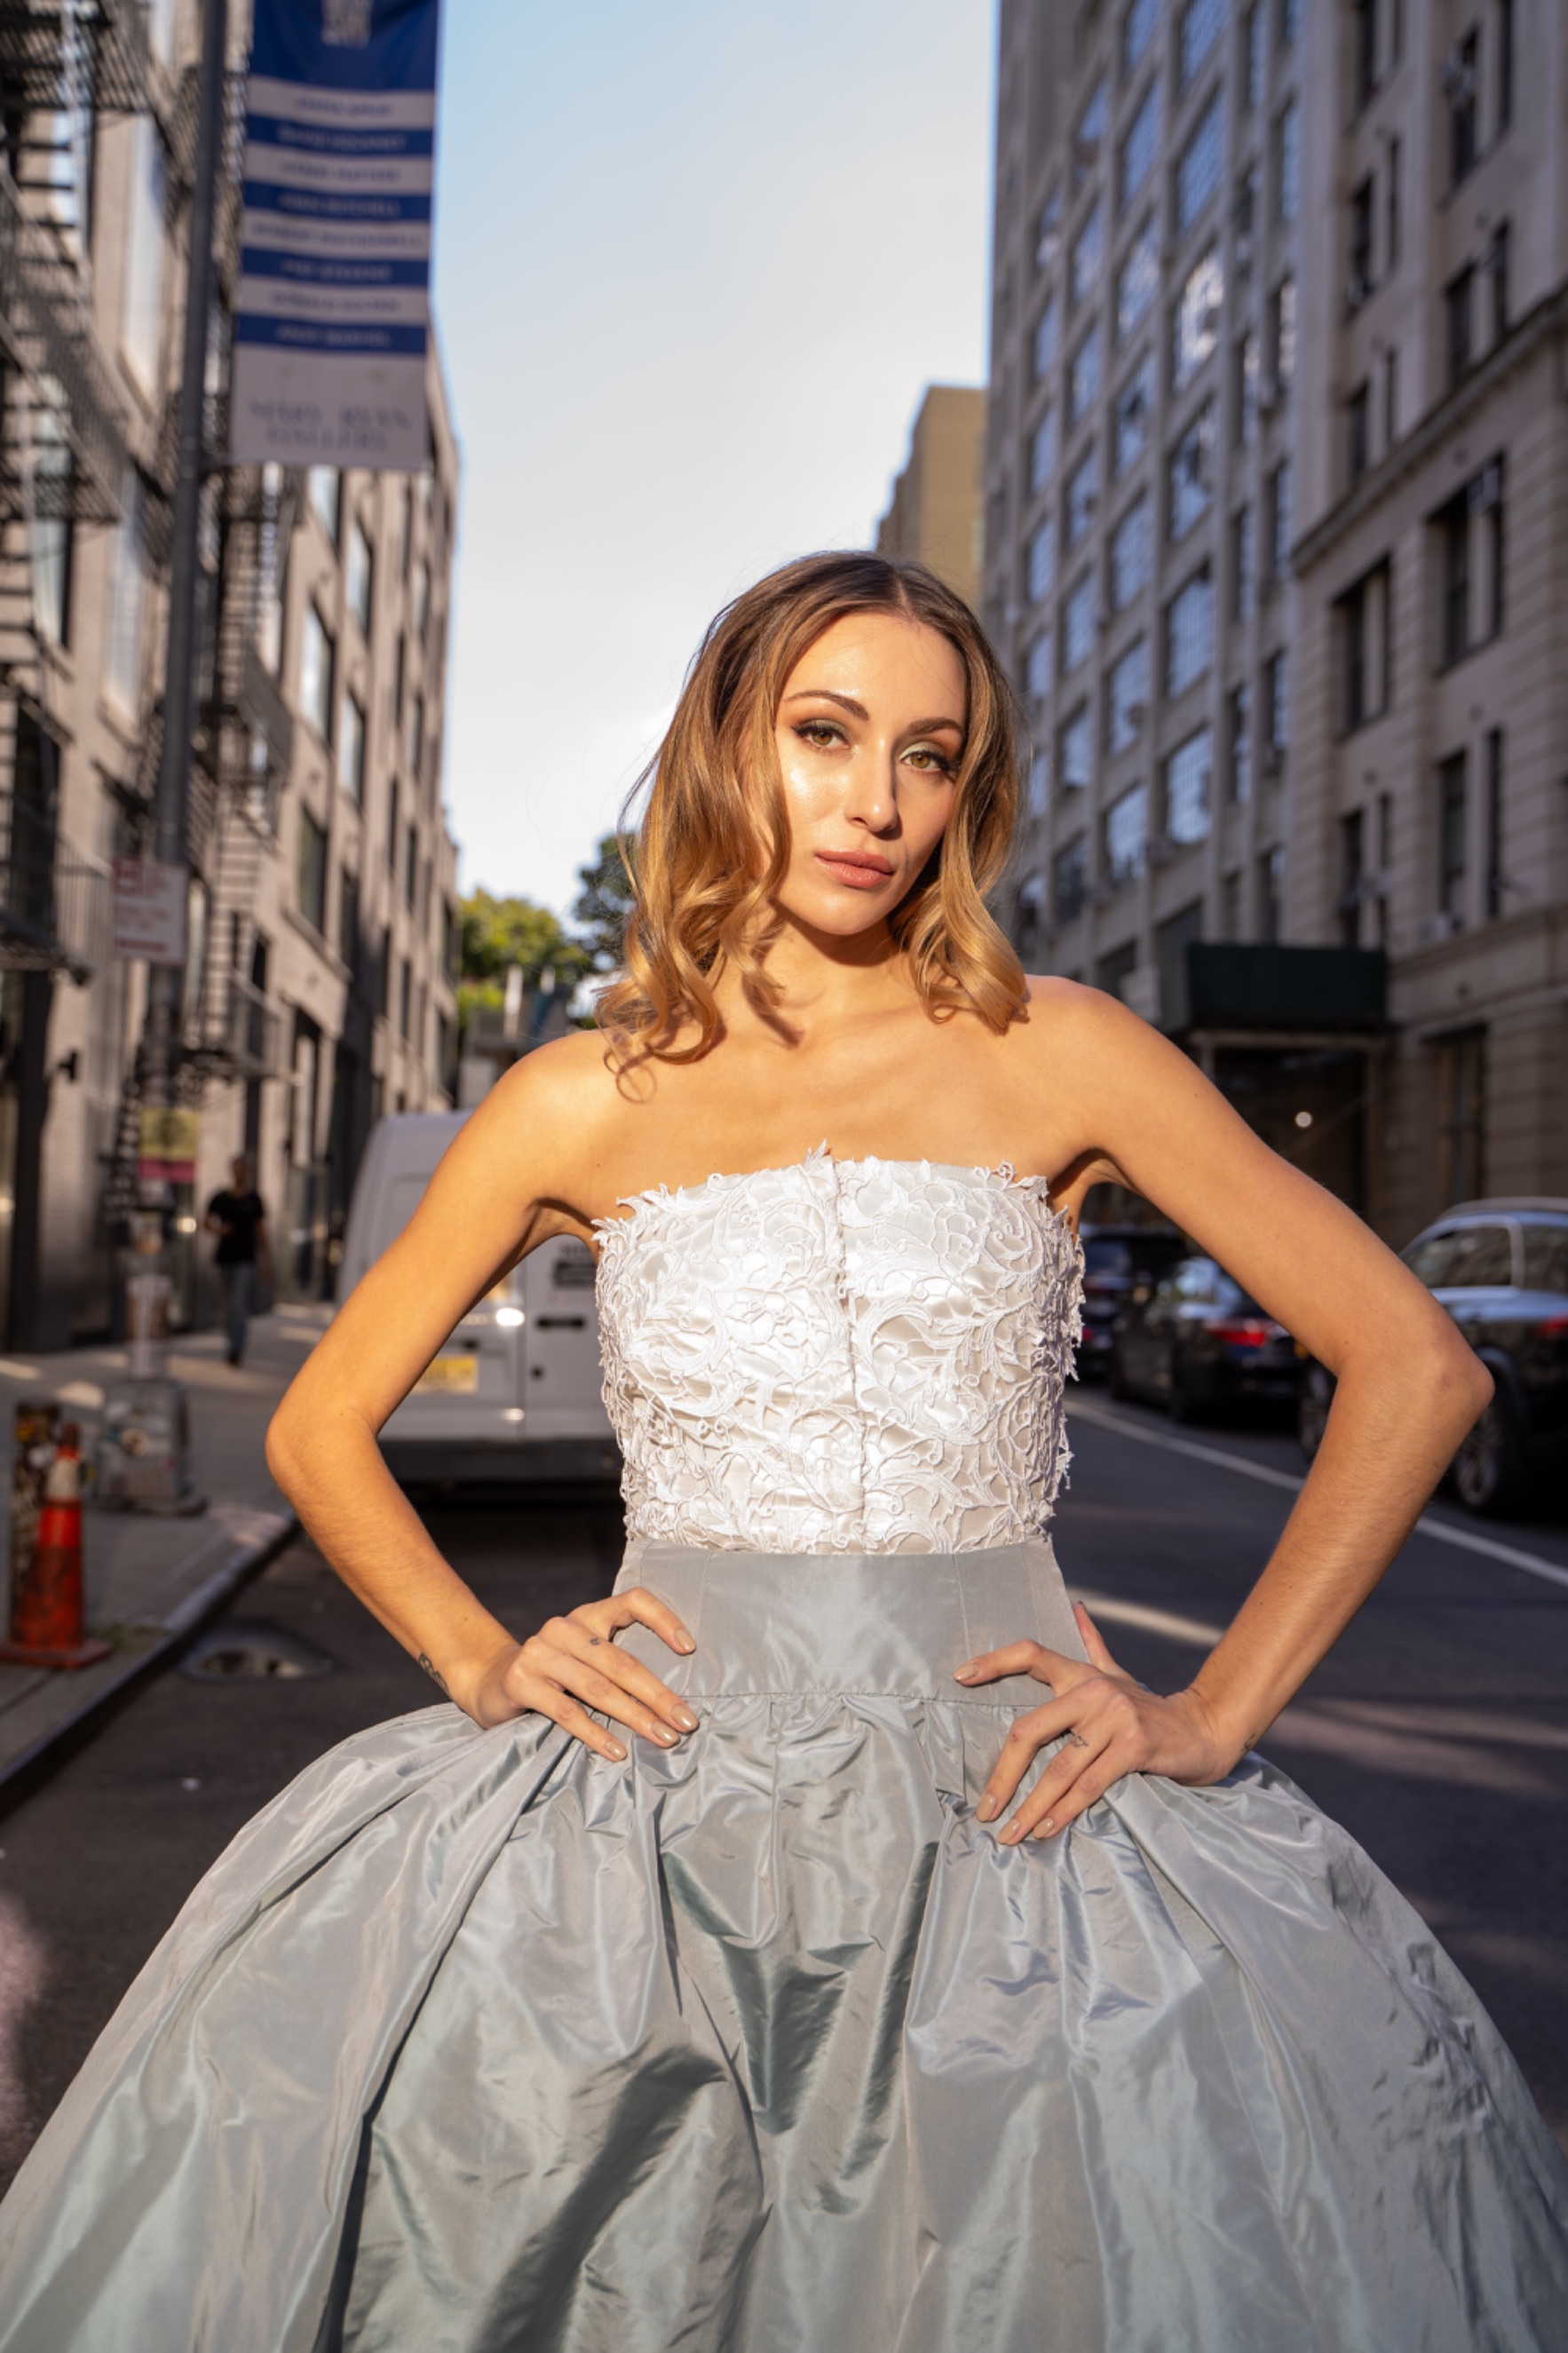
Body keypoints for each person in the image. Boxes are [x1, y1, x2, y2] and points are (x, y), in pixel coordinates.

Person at [2, 553, 1564, 2349]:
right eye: (826, 733)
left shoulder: (1069, 1050)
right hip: (648, 1813)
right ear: (731, 741)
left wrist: (1208, 1712)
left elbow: (1412, 1364)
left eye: (929, 753)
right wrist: (482, 1652)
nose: (876, 800)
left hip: (1012, 1809)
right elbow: (316, 1422)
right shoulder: (580, 1090)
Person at [203, 1154, 271, 1366]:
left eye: (242, 1168)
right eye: (236, 1168)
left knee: (239, 1305)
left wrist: (266, 1259)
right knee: (226, 1307)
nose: (239, 1172)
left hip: (246, 1259)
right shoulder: (220, 1198)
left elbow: (260, 1231)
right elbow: (206, 1223)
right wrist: (219, 1230)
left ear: (247, 1171)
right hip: (225, 1258)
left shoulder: (254, 1200)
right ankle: (231, 1341)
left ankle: (236, 1348)